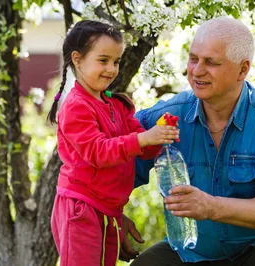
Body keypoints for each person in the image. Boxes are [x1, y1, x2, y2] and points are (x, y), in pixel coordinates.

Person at [120, 16, 255, 266]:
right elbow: (112, 161)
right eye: (193, 59)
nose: (197, 71)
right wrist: (112, 215)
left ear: (242, 69)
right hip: (189, 255)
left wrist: (211, 206)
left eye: (211, 62)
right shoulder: (165, 117)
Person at [47, 20, 180, 266]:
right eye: (103, 60)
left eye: (116, 61)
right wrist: (143, 138)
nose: (111, 69)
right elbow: (97, 151)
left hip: (108, 210)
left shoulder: (117, 105)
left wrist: (159, 135)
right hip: (81, 207)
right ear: (77, 59)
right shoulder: (77, 106)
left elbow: (144, 149)